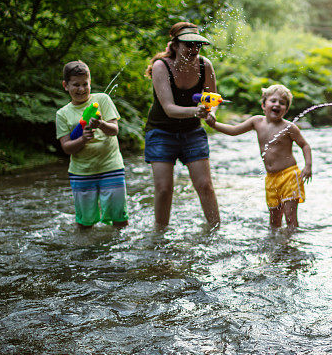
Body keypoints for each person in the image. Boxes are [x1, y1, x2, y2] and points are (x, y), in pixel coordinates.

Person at [201, 84, 312, 230]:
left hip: (290, 176)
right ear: (263, 105)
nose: (277, 104)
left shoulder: (289, 127)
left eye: (282, 103)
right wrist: (214, 125)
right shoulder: (256, 122)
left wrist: (308, 166)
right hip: (271, 178)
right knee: (274, 222)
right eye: (273, 101)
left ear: (286, 109)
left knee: (291, 219)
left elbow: (304, 145)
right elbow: (234, 130)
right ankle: (276, 246)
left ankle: (290, 247)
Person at [144, 22, 220, 228]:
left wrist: (210, 114)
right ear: (175, 45)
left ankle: (215, 230)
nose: (194, 50)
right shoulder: (161, 66)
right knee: (163, 189)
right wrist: (197, 111)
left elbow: (211, 101)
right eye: (189, 45)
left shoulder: (206, 66)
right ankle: (159, 234)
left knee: (205, 186)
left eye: (198, 45)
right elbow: (169, 108)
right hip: (161, 132)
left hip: (192, 132)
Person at [56, 60, 128, 228]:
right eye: (76, 85)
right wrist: (83, 139)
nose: (81, 89)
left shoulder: (102, 100)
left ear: (90, 82)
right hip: (81, 172)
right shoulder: (62, 114)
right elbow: (66, 147)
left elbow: (114, 130)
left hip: (111, 167)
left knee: (119, 217)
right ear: (65, 85)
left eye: (85, 84)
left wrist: (101, 124)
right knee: (85, 221)